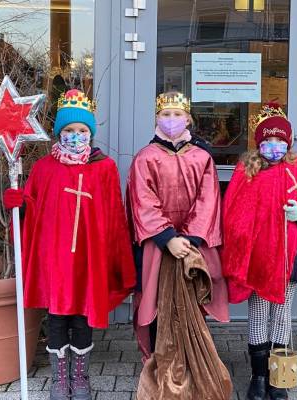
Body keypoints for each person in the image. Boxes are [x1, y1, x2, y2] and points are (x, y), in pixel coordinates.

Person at [3, 89, 136, 400]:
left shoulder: (103, 168)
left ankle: (80, 376)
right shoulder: (44, 169)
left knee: (83, 316)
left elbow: (114, 216)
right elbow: (32, 214)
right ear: (59, 133)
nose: (75, 137)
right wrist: (18, 205)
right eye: (69, 131)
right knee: (58, 316)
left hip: (89, 258)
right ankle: (60, 379)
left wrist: (116, 260)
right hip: (56, 259)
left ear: (90, 132)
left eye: (82, 131)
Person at [221, 103, 297, 400]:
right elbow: (233, 213)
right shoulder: (247, 169)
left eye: (280, 140)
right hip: (258, 257)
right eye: (268, 140)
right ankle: (258, 377)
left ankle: (278, 377)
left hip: (289, 255)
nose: (274, 146)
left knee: (282, 316)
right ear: (259, 142)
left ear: (289, 141)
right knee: (258, 315)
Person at [126, 91, 232, 400]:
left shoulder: (202, 158)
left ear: (188, 119)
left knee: (192, 303)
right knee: (158, 304)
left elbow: (209, 199)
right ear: (157, 119)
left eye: (178, 114)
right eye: (166, 114)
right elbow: (141, 201)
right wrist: (167, 238)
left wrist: (191, 239)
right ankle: (162, 367)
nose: (172, 120)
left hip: (193, 246)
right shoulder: (145, 157)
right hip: (158, 246)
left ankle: (192, 366)